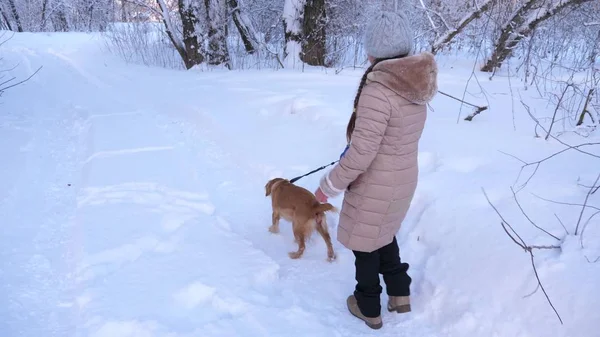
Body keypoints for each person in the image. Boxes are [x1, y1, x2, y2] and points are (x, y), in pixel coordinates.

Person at [314, 10, 438, 330]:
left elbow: (362, 153)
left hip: (377, 182)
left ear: (374, 51)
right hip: (403, 179)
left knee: (364, 242)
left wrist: (328, 185)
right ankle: (400, 293)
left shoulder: (378, 90)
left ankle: (367, 305)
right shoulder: (414, 84)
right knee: (382, 233)